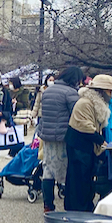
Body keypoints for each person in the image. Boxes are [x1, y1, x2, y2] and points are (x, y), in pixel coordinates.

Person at [64, 73, 112, 212]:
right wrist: (101, 141)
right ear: (101, 91)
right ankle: (77, 208)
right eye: (109, 91)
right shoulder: (85, 103)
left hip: (85, 144)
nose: (111, 94)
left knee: (86, 177)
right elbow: (85, 126)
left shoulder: (96, 104)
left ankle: (85, 205)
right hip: (78, 144)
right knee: (78, 178)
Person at [36, 66, 82, 213]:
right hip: (64, 136)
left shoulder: (47, 91)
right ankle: (69, 202)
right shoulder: (71, 93)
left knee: (48, 169)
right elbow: (77, 115)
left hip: (47, 135)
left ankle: (48, 205)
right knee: (67, 171)